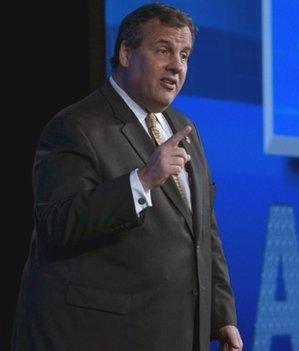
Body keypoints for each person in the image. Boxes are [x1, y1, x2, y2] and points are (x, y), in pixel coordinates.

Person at [12, 4, 242, 350]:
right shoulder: (76, 127)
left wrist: (222, 315)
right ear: (125, 52)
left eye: (184, 54)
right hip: (100, 336)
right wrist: (143, 180)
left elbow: (203, 232)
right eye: (163, 50)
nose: (176, 66)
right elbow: (57, 225)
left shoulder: (182, 128)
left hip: (175, 335)